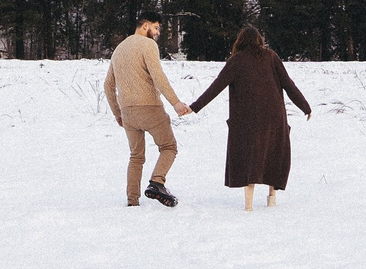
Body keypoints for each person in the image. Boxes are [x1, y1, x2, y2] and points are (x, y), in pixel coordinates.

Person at [189, 24, 312, 209]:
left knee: (250, 156)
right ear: (259, 41)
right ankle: (272, 198)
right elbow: (288, 84)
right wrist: (305, 107)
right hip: (274, 115)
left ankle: (249, 205)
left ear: (240, 42)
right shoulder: (271, 57)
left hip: (248, 118)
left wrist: (194, 107)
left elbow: (216, 87)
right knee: (273, 154)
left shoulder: (236, 60)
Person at [103, 12, 193, 207]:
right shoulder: (148, 45)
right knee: (169, 147)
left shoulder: (118, 49)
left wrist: (117, 113)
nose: (158, 32)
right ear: (145, 26)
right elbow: (157, 76)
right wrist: (175, 102)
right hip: (150, 109)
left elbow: (108, 85)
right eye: (156, 27)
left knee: (136, 157)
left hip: (128, 112)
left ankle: (132, 201)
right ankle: (157, 182)